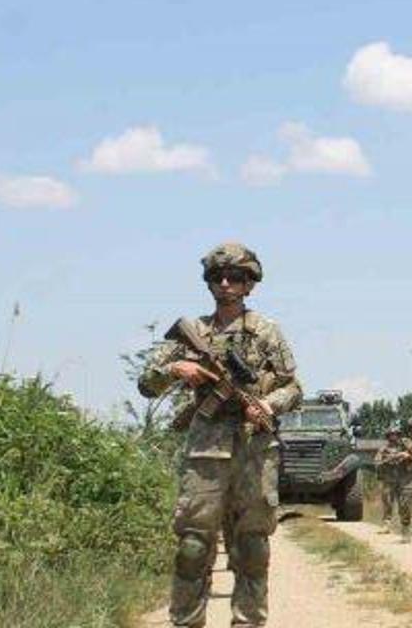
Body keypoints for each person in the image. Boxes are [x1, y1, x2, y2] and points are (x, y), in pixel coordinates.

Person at [138, 243, 304, 628]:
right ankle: (187, 621)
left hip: (254, 448)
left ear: (250, 284)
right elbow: (147, 384)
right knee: (193, 546)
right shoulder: (192, 332)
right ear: (209, 283)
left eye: (236, 277)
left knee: (251, 547)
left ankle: (247, 621)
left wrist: (268, 405)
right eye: (218, 277)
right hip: (205, 450)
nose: (226, 284)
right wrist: (177, 368)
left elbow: (294, 387)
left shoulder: (267, 332)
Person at [374, 422, 404, 533]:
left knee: (404, 504)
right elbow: (376, 463)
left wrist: (402, 457)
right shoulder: (383, 449)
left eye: (395, 434)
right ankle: (387, 525)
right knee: (388, 504)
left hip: (402, 480)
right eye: (391, 434)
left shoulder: (404, 448)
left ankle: (404, 526)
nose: (394, 436)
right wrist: (388, 460)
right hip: (388, 481)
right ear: (388, 436)